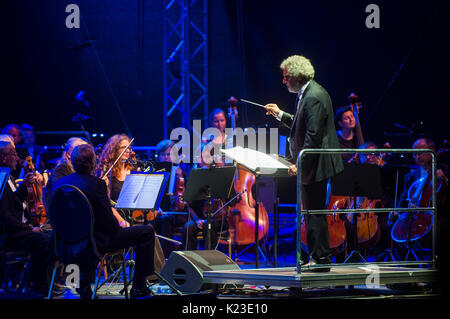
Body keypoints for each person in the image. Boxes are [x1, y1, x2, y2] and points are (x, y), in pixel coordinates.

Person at [265, 55, 344, 271]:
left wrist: (299, 164)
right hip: (313, 162)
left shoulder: (313, 96)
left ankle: (321, 260)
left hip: (316, 163)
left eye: (286, 77)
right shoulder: (307, 93)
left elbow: (313, 136)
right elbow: (302, 123)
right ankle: (318, 258)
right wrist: (280, 114)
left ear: (299, 76)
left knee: (313, 213)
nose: (284, 81)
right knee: (311, 212)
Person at [51, 144, 155, 299]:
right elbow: (109, 224)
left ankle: (84, 286)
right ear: (93, 163)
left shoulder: (60, 184)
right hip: (94, 242)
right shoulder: (97, 184)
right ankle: (139, 287)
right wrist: (119, 222)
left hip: (64, 241)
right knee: (146, 231)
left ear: (72, 162)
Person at [0, 140, 53, 296]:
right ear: (3, 157)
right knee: (43, 240)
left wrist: (24, 186)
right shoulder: (1, 178)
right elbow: (5, 217)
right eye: (14, 154)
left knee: (52, 235)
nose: (17, 158)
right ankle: (34, 282)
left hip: (17, 229)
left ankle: (47, 281)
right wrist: (30, 228)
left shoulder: (7, 176)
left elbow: (14, 202)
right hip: (9, 234)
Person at [43, 137, 88, 208]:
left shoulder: (82, 171)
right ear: (69, 154)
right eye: (81, 151)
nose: (86, 155)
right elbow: (63, 193)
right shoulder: (59, 171)